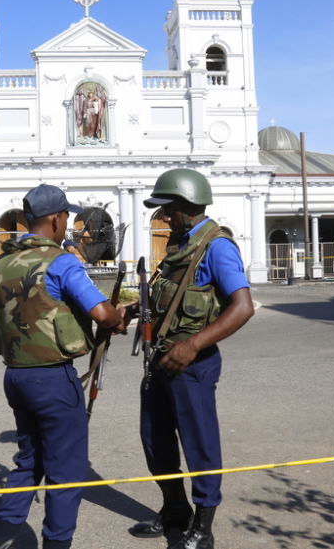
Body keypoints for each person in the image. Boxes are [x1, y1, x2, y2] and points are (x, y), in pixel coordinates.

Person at [0, 184, 129, 549]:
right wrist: (118, 318)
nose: (68, 224)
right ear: (55, 219)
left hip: (15, 377)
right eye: (66, 217)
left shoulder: (1, 264)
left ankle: (2, 535)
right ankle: (57, 542)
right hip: (52, 380)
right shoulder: (61, 261)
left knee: (29, 461)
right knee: (66, 471)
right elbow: (101, 313)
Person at [126, 169, 255, 549]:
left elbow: (243, 307)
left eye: (168, 209)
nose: (163, 217)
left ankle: (203, 526)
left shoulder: (216, 247)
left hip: (192, 364)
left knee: (200, 445)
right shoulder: (180, 246)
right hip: (161, 360)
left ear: (187, 205)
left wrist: (192, 346)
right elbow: (168, 298)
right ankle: (174, 510)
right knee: (155, 440)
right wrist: (132, 310)